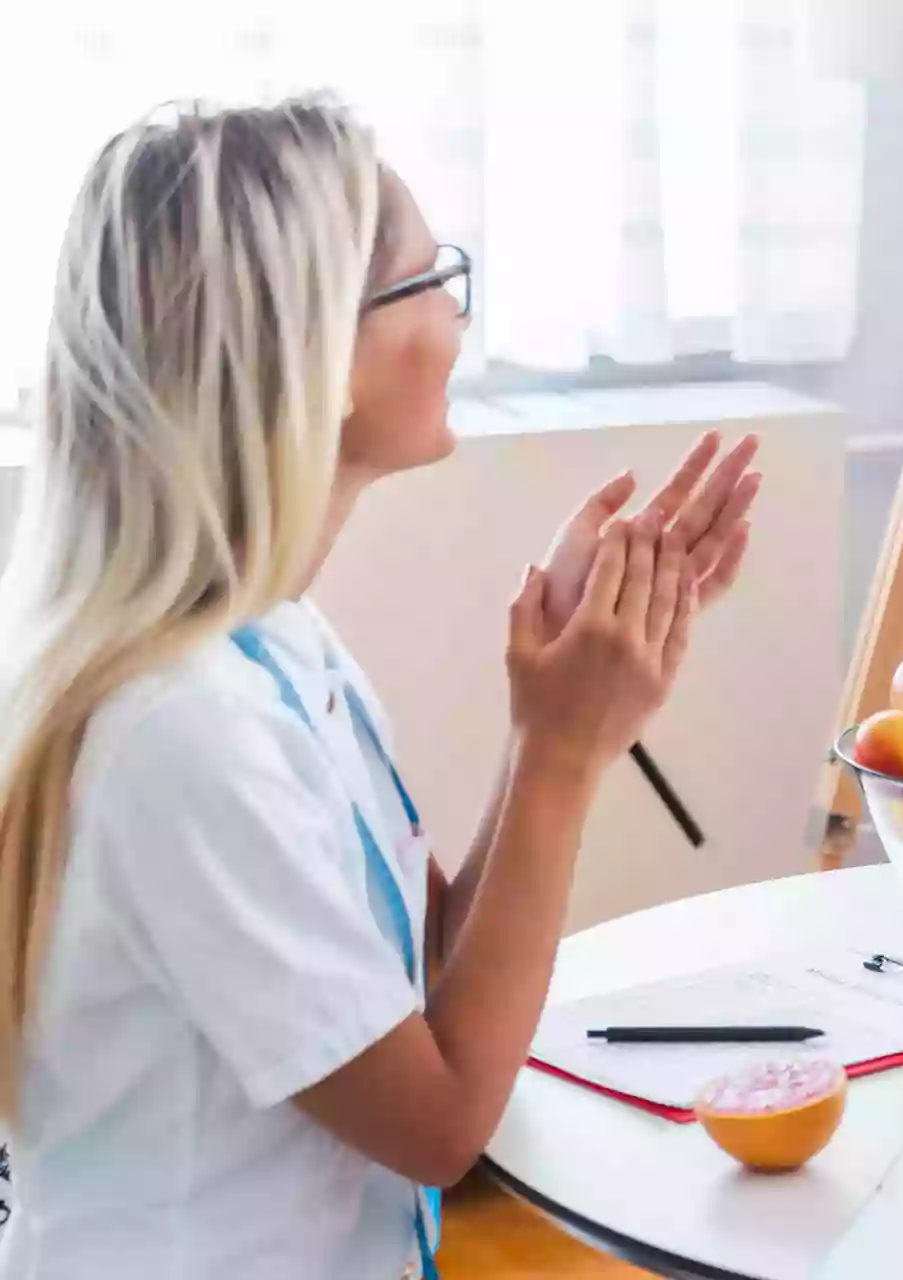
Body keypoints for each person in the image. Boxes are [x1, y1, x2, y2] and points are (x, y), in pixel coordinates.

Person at [0, 97, 759, 1277]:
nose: (458, 313)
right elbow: (439, 1127)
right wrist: (562, 757)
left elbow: (421, 980)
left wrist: (554, 718)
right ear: (321, 351)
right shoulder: (181, 733)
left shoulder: (276, 644)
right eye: (430, 278)